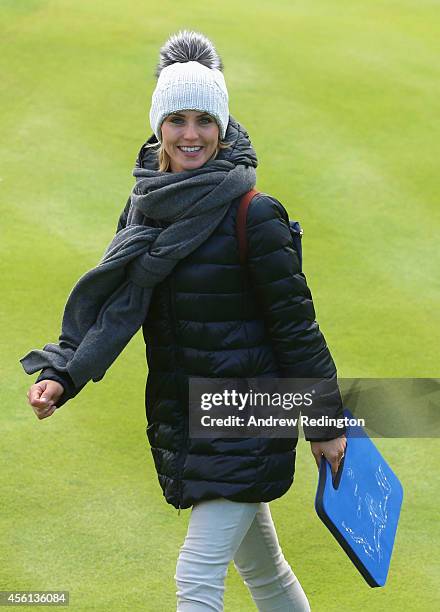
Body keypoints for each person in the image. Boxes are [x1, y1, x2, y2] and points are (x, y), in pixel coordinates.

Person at [23, 30, 346, 612]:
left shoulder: (257, 216)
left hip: (249, 419)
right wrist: (66, 373)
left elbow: (298, 330)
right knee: (266, 575)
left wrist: (324, 421)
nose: (191, 134)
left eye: (204, 120)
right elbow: (121, 304)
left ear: (222, 126)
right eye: (177, 120)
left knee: (196, 580)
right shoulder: (147, 206)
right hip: (187, 414)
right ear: (158, 127)